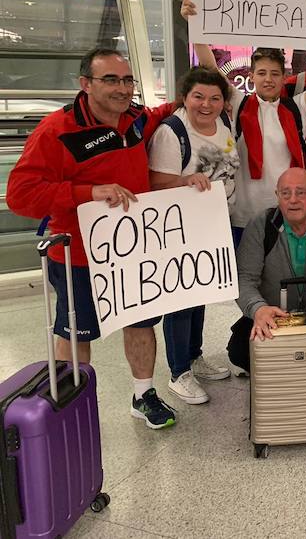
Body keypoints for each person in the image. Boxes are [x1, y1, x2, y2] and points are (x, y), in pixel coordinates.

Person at [7, 47, 178, 429]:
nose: (122, 89)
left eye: (128, 80)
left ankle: (144, 395)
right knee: (75, 329)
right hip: (79, 256)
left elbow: (161, 112)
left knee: (141, 323)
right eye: (111, 80)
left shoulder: (135, 119)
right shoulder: (56, 131)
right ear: (85, 84)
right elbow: (20, 195)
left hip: (133, 252)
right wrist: (88, 192)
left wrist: (195, 98)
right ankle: (70, 407)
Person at [180, 0, 306, 241]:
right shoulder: (239, 103)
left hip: (287, 212)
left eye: (275, 73)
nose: (268, 79)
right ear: (251, 76)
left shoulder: (298, 107)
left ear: (284, 76)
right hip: (243, 213)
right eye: (262, 73)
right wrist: (193, 24)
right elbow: (211, 67)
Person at [148, 67, 240, 404]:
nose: (207, 104)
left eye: (215, 97)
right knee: (180, 299)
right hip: (181, 229)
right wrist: (185, 182)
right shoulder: (172, 132)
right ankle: (178, 372)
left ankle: (194, 355)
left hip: (214, 223)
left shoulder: (224, 124)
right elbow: (155, 182)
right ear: (185, 97)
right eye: (198, 96)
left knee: (200, 292)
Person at [234, 166, 306, 359]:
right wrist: (258, 309)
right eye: (285, 193)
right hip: (275, 319)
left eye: (301, 192)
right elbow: (244, 278)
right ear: (277, 196)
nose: (293, 199)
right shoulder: (260, 225)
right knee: (239, 353)